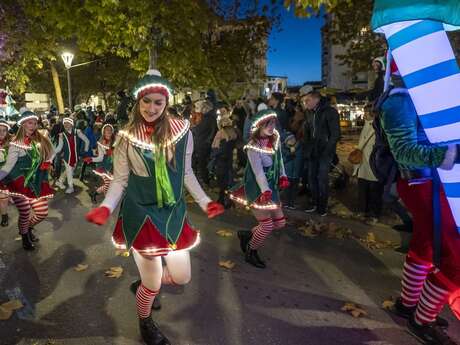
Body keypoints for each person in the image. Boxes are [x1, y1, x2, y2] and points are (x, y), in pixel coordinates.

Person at [85, 69, 224, 344]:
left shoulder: (183, 132)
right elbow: (121, 180)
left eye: (158, 102)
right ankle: (145, 321)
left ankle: (145, 286)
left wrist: (206, 201)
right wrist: (106, 207)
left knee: (182, 278)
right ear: (138, 102)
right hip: (142, 214)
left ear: (166, 103)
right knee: (153, 283)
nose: (151, 108)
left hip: (172, 214)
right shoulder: (126, 137)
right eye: (146, 101)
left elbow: (186, 173)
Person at [229, 109, 289, 269]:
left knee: (280, 223)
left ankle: (247, 235)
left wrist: (283, 175)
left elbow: (279, 160)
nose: (271, 127)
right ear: (259, 126)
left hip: (272, 187)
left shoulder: (274, 140)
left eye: (273, 123)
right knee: (267, 225)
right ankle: (251, 250)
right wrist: (265, 190)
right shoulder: (253, 147)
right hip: (257, 188)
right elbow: (258, 172)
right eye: (267, 124)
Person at [0, 109, 54, 251]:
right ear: (23, 124)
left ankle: (28, 228)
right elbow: (8, 166)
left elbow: (51, 151)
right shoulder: (15, 144)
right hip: (19, 184)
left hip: (36, 183)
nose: (33, 125)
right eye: (30, 123)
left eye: (35, 123)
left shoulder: (40, 139)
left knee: (42, 212)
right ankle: (24, 236)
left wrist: (48, 161)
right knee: (24, 212)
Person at [302, 90, 340, 216]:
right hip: (312, 152)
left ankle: (322, 207)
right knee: (311, 179)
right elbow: (307, 131)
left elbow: (335, 134)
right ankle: (314, 203)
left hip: (324, 153)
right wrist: (307, 147)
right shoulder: (308, 112)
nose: (305, 103)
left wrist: (327, 151)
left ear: (316, 99)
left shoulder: (330, 112)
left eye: (307, 100)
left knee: (322, 180)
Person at [353, 104, 383, 225]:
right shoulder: (366, 125)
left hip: (374, 163)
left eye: (366, 112)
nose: (364, 114)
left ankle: (374, 214)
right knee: (363, 187)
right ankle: (363, 210)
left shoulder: (379, 128)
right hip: (363, 162)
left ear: (373, 113)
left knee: (374, 190)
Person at [54, 117, 90, 194]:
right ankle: (71, 187)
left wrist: (86, 151)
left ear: (72, 124)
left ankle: (60, 181)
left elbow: (86, 140)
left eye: (68, 123)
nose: (66, 125)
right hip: (67, 156)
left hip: (76, 156)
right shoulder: (62, 135)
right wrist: (52, 153)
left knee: (70, 170)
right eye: (65, 123)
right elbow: (59, 147)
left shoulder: (78, 132)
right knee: (69, 171)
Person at [209, 115, 238, 208]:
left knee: (222, 182)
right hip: (229, 161)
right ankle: (227, 200)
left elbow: (215, 147)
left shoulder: (220, 133)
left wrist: (213, 155)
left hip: (221, 162)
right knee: (228, 181)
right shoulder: (234, 133)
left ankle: (222, 200)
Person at [85, 124, 115, 204]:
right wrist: (91, 159)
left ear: (112, 132)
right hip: (104, 165)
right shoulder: (101, 143)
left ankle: (94, 194)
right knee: (108, 184)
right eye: (106, 130)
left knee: (110, 184)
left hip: (113, 166)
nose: (108, 131)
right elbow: (100, 158)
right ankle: (106, 200)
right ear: (103, 132)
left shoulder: (115, 141)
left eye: (110, 129)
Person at [0, 119, 11, 226]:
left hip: (6, 175)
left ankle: (4, 216)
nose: (1, 133)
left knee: (3, 198)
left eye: (4, 130)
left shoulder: (11, 143)